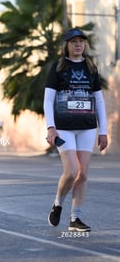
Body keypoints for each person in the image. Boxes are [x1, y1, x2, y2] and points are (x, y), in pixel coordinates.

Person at [44, 28, 108, 232]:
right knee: (71, 171)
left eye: (81, 41)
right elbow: (48, 100)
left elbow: (99, 100)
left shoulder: (91, 68)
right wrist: (51, 127)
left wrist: (103, 130)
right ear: (67, 45)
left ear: (85, 45)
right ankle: (57, 203)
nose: (78, 44)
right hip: (64, 128)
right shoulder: (58, 68)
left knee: (83, 174)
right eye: (74, 42)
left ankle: (75, 219)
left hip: (87, 128)